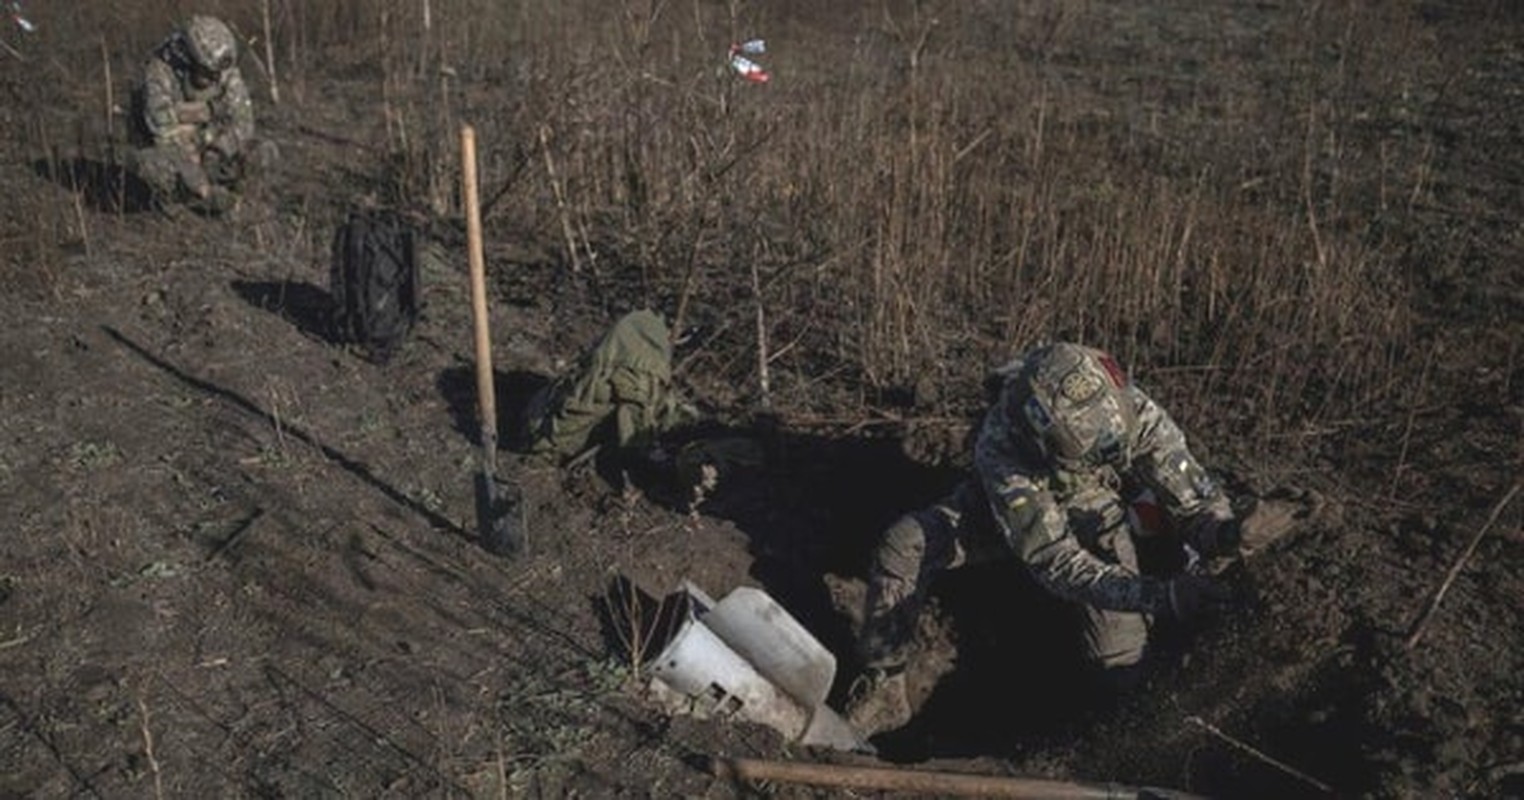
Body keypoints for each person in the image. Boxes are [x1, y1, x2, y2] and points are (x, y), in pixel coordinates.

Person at [843, 342, 1313, 738]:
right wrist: (1160, 596)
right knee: (906, 543)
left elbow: (1191, 501)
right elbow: (1055, 561)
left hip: (1097, 506)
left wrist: (1231, 533)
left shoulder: (1132, 411)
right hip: (1014, 511)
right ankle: (886, 684)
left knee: (1118, 663)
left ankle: (1127, 740)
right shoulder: (1003, 447)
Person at [128, 15, 266, 214]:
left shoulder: (224, 69)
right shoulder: (158, 75)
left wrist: (218, 150)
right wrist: (201, 185)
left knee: (263, 152)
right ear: (188, 59)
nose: (215, 79)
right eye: (207, 73)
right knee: (151, 166)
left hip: (210, 147)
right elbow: (165, 138)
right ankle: (181, 203)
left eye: (217, 74)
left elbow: (243, 123)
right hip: (174, 154)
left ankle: (232, 198)